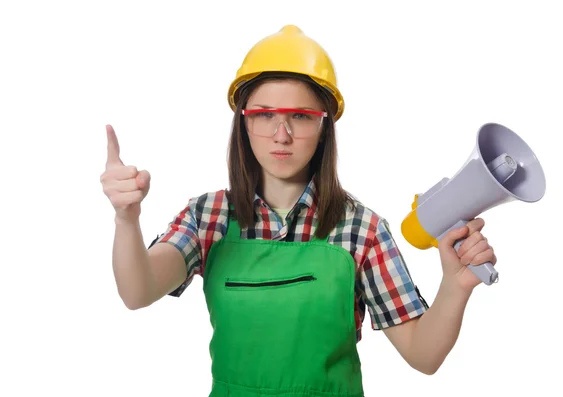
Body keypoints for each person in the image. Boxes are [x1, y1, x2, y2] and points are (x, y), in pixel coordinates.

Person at [101, 25, 497, 396]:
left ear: (325, 126)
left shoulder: (361, 228)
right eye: (265, 114)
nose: (281, 134)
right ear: (243, 122)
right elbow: (138, 291)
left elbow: (423, 355)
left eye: (301, 117)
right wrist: (127, 219)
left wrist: (455, 285)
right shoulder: (209, 218)